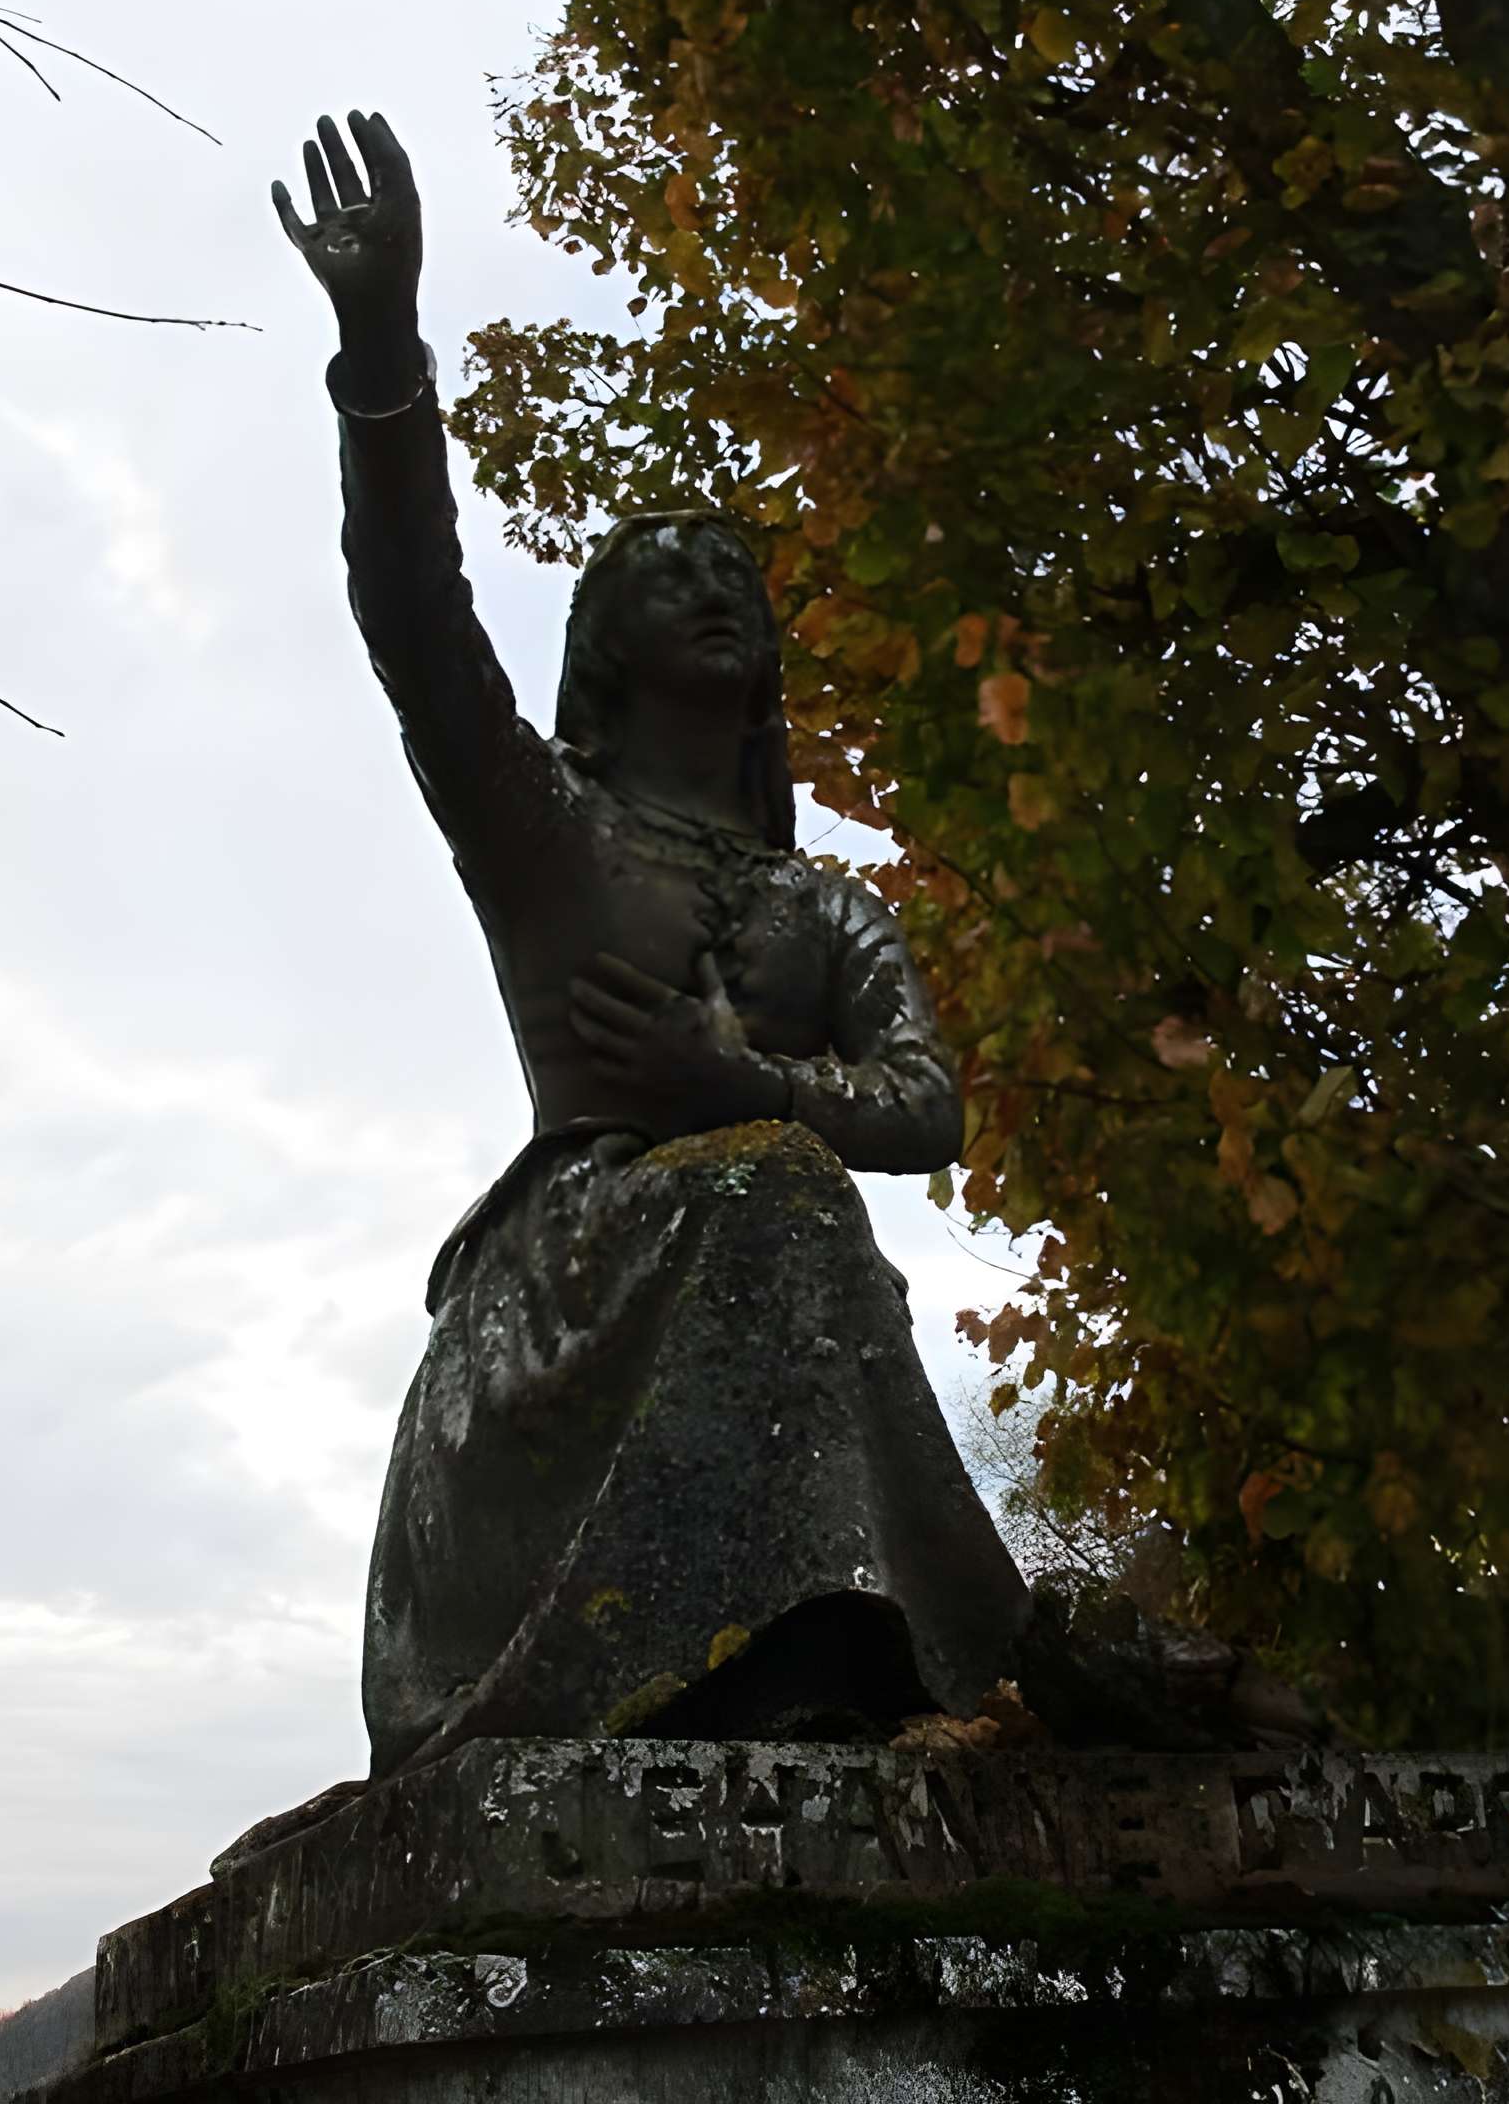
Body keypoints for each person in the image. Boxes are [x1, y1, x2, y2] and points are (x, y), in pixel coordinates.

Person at [273, 111, 1032, 1774]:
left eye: (737, 573)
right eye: (666, 570)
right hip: (567, 1304)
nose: (717, 587)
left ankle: (854, 1657)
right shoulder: (544, 825)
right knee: (775, 1189)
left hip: (768, 1255)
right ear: (600, 644)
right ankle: (798, 1663)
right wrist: (382, 351)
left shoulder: (828, 906)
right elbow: (412, 617)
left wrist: (726, 1074)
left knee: (783, 1187)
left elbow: (930, 1109)